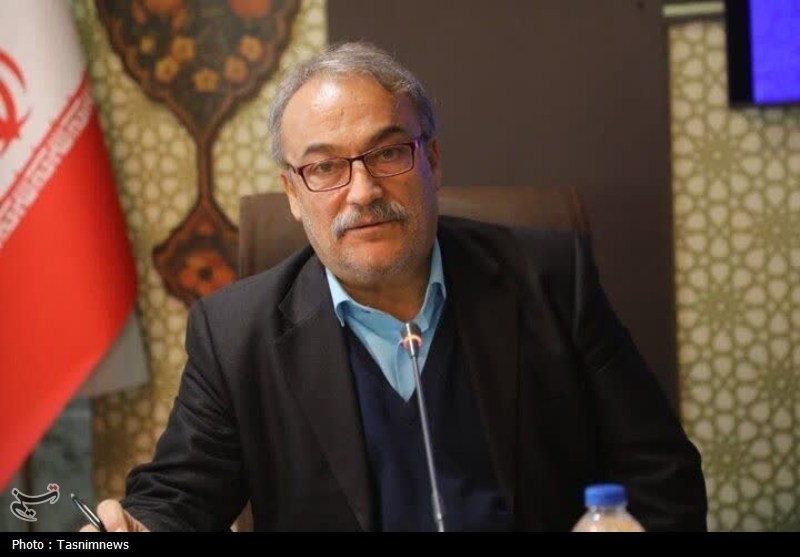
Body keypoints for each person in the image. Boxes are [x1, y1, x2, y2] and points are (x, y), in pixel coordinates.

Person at [82, 41, 707, 532]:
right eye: (325, 167)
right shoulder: (234, 334)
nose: (363, 191)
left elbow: (663, 477)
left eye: (387, 154)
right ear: (293, 194)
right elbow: (178, 500)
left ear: (431, 160)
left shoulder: (549, 280)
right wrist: (134, 527)